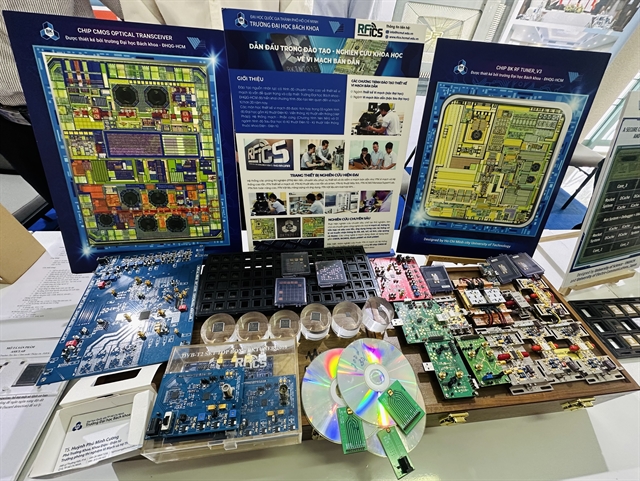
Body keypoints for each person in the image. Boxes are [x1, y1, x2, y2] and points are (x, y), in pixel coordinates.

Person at [0, 1, 124, 206]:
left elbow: (140, 8)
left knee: (122, 205)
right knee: (67, 208)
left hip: (80, 104)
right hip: (9, 123)